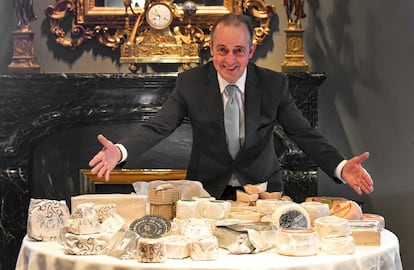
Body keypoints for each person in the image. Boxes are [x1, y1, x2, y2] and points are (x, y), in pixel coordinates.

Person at [89, 14, 374, 200]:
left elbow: (303, 133)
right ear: (211, 49)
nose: (230, 60)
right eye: (222, 50)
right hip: (207, 192)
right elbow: (159, 125)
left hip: (263, 194)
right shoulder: (190, 82)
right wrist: (121, 150)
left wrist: (339, 166)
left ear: (251, 51)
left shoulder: (274, 85)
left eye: (239, 51)